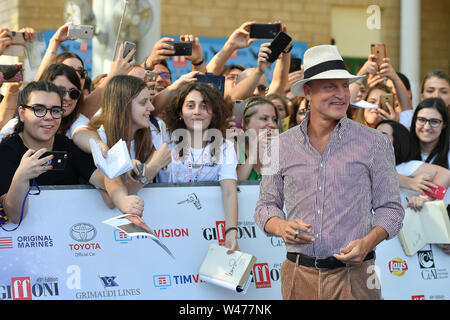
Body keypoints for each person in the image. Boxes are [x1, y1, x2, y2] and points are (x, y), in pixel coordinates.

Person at [254, 45, 404, 300]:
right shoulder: (279, 146)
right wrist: (281, 226)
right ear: (308, 92)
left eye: (345, 86)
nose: (341, 94)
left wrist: (367, 242)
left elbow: (392, 210)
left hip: (356, 277)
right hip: (297, 277)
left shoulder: (375, 142)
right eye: (330, 86)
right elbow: (265, 206)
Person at [0, 81, 106, 224]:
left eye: (55, 110)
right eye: (39, 109)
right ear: (22, 113)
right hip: (27, 242)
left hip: (67, 235)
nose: (49, 117)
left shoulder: (67, 146)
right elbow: (14, 216)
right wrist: (21, 176)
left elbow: (104, 180)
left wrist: (127, 170)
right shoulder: (6, 151)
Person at [161, 82, 239, 252]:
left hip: (207, 231)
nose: (197, 111)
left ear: (214, 113)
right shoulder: (165, 141)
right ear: (180, 112)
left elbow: (229, 191)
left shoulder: (225, 147)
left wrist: (231, 232)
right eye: (190, 105)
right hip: (167, 228)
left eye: (204, 106)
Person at [87, 75, 172, 216]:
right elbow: (111, 200)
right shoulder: (101, 138)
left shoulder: (154, 132)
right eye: (143, 102)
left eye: (150, 101)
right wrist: (152, 167)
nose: (151, 107)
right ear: (122, 105)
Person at [236, 96, 281, 181]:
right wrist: (255, 151)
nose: (272, 124)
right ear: (245, 123)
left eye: (274, 120)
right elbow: (237, 182)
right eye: (264, 119)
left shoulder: (282, 149)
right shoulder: (236, 147)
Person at [410, 98, 449, 169]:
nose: (426, 127)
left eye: (434, 121)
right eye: (421, 120)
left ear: (444, 125)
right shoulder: (401, 151)